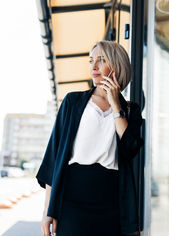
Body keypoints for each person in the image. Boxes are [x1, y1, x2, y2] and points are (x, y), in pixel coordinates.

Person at [36, 40, 144, 236]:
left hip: (111, 201)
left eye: (101, 60)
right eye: (91, 60)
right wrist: (47, 210)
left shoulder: (130, 110)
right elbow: (53, 157)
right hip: (72, 198)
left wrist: (115, 105)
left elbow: (131, 148)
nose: (93, 67)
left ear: (116, 65)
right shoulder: (73, 102)